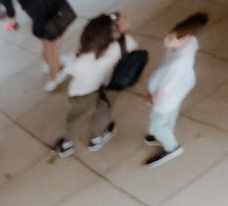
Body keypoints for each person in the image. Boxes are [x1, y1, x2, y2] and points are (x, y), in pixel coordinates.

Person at [53, 12, 135, 157]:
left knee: (75, 118)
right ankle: (97, 138)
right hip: (107, 86)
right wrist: (124, 30)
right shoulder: (119, 47)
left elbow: (60, 71)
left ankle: (67, 144)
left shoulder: (76, 58)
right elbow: (132, 45)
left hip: (81, 93)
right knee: (103, 111)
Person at [143, 12, 207, 167]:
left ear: (185, 39)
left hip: (167, 98)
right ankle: (166, 133)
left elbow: (162, 90)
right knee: (170, 115)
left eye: (171, 39)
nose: (166, 40)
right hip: (179, 91)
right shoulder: (190, 43)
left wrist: (150, 100)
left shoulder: (177, 64)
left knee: (156, 126)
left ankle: (171, 147)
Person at [15, 0, 75, 91]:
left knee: (47, 49)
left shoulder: (25, 0)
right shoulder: (50, 0)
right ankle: (54, 77)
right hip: (53, 29)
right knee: (55, 54)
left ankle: (48, 66)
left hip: (41, 29)